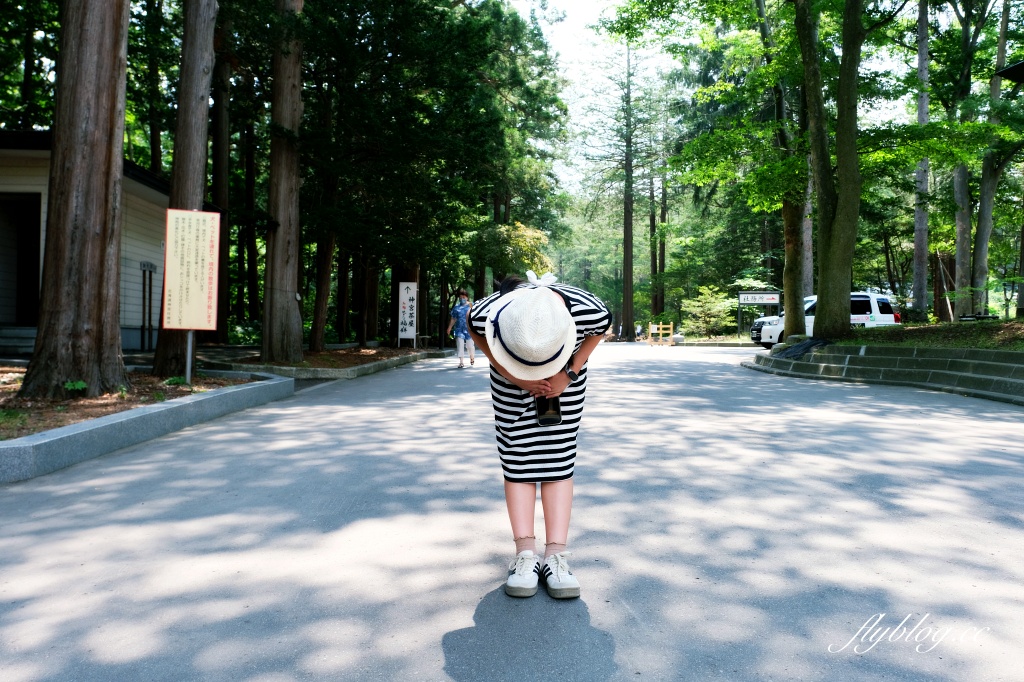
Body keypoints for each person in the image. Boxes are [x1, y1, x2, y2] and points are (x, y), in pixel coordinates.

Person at [468, 271, 610, 599]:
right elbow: (474, 328)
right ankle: (525, 555)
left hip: (565, 381)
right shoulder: (490, 310)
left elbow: (601, 328)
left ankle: (555, 555)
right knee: (518, 460)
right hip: (509, 383)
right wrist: (510, 373)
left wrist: (570, 372)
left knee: (558, 459)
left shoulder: (587, 308)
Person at [446, 288, 475, 368]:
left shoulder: (471, 305)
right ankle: (461, 362)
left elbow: (475, 315)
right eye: (460, 297)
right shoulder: (456, 307)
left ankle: (471, 356)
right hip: (459, 329)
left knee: (470, 346)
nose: (462, 299)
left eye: (464, 297)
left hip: (469, 329)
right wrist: (449, 328)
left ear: (467, 297)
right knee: (460, 344)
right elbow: (453, 318)